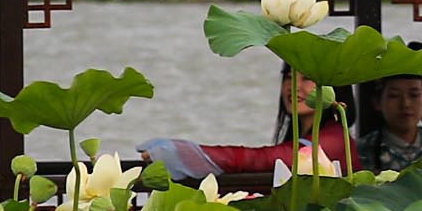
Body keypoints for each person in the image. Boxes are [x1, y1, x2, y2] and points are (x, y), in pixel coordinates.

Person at [136, 64, 352, 188]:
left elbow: (266, 159)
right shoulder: (306, 135)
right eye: (288, 77)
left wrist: (188, 155)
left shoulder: (335, 139)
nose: (292, 87)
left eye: (307, 79)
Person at [356, 70, 422, 174]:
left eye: (414, 95)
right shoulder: (359, 152)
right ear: (378, 101)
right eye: (394, 95)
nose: (405, 104)